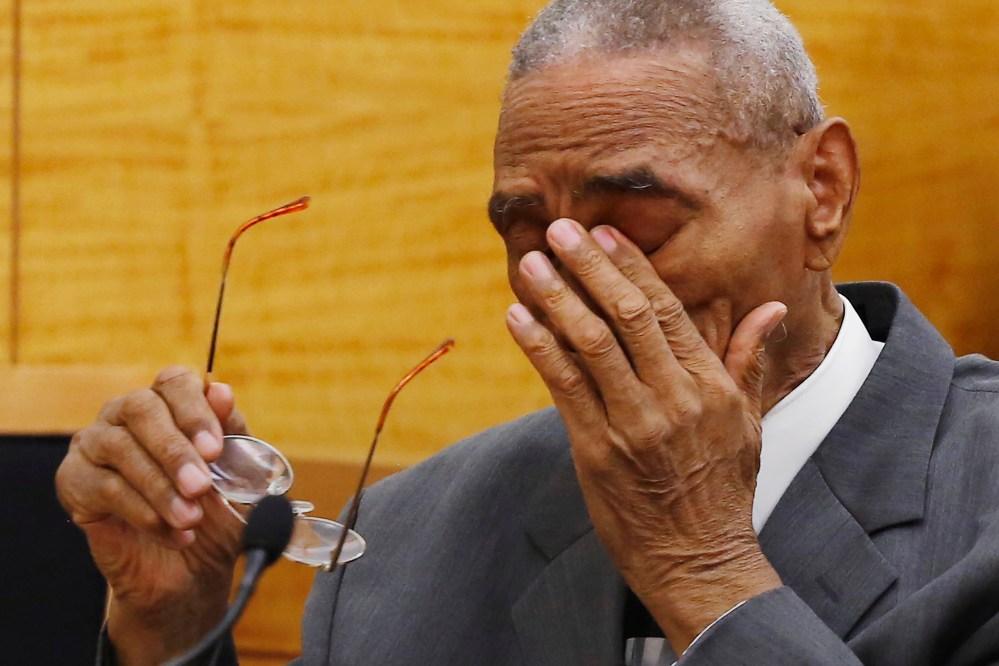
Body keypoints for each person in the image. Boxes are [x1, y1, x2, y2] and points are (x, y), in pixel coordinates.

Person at [57, 1, 999, 664]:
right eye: (524, 238)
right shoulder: (408, 545)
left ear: (821, 189)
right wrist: (170, 634)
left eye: (638, 228)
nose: (571, 289)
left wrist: (702, 568)